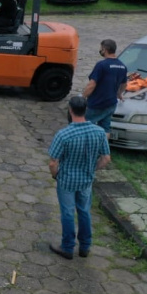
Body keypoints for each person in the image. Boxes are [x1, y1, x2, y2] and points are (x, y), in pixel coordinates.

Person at [48, 96, 111, 260]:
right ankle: (85, 246)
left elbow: (53, 163)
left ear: (70, 110)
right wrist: (92, 169)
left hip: (67, 180)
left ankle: (67, 247)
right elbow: (106, 158)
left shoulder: (64, 134)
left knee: (68, 213)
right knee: (84, 211)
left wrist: (55, 175)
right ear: (86, 110)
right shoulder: (99, 132)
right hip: (86, 181)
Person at [82, 39, 127, 135]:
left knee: (86, 126)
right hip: (111, 104)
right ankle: (104, 148)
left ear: (105, 49)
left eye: (101, 48)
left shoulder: (101, 65)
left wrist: (83, 97)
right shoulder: (122, 66)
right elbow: (124, 84)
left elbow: (92, 84)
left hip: (97, 103)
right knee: (105, 128)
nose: (100, 50)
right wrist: (119, 94)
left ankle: (86, 147)